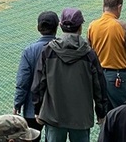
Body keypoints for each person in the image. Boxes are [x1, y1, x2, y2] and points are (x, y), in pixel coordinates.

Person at [31, 8, 108, 142]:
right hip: (81, 118)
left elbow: (38, 84)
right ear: (80, 27)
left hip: (54, 116)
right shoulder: (89, 54)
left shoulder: (48, 51)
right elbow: (99, 86)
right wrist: (101, 112)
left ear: (60, 26)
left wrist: (37, 109)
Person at [87, 0, 126, 109]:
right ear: (119, 7)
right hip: (118, 77)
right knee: (123, 113)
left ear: (104, 6)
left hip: (98, 76)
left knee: (104, 115)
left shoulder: (92, 26)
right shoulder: (122, 26)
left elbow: (89, 51)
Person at [15, 11, 60, 131]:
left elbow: (22, 81)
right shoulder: (62, 49)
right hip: (56, 109)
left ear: (38, 28)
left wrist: (17, 104)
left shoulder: (29, 51)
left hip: (32, 108)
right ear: (57, 27)